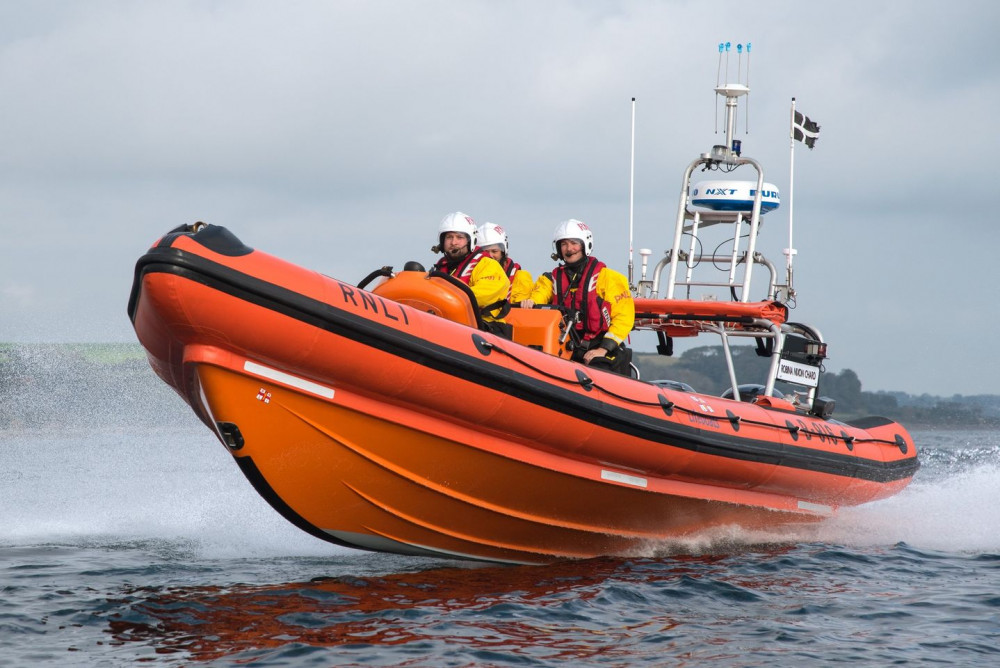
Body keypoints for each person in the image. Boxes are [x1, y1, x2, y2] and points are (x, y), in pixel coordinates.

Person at [522, 219, 635, 374]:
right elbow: (541, 292)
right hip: (566, 347)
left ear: (585, 245)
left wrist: (603, 349)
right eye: (564, 244)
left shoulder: (608, 279)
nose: (569, 249)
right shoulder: (552, 279)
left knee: (600, 367)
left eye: (574, 243)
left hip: (600, 347)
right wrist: (531, 301)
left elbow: (624, 317)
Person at [430, 212, 511, 335]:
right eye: (449, 237)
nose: (454, 242)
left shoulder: (487, 264)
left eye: (459, 237)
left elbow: (484, 293)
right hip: (448, 324)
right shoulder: (440, 268)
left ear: (470, 240)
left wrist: (447, 299)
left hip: (485, 328)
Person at [476, 222, 534, 305]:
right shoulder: (473, 275)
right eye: (486, 252)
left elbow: (519, 311)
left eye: (494, 251)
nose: (490, 256)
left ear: (503, 252)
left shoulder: (520, 278)